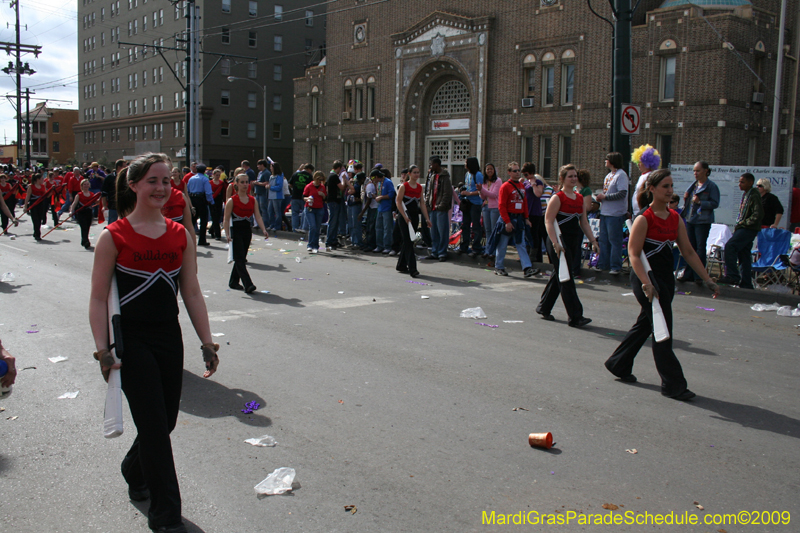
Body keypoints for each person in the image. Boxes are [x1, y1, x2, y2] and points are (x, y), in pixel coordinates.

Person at [89, 152, 219, 533]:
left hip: (168, 336)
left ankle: (134, 469)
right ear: (133, 185)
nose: (161, 188)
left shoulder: (180, 235)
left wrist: (207, 342)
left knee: (165, 422)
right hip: (131, 341)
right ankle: (165, 516)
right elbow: (97, 298)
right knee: (156, 430)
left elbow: (191, 291)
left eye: (166, 181)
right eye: (153, 181)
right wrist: (103, 350)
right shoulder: (113, 236)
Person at [604, 169, 719, 401]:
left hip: (666, 279)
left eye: (671, 186)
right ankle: (673, 385)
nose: (670, 190)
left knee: (646, 324)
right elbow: (634, 254)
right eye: (665, 186)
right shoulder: (644, 218)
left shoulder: (675, 218)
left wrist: (707, 278)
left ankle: (619, 363)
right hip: (646, 280)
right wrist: (647, 284)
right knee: (662, 330)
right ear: (652, 189)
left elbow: (688, 251)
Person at [536, 165, 599, 327]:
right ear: (562, 179)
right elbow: (548, 221)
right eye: (570, 176)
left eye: (575, 176)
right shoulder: (558, 198)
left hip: (573, 241)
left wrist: (593, 241)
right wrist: (555, 243)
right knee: (566, 277)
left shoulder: (579, 198)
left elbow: (584, 222)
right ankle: (575, 316)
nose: (573, 179)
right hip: (558, 241)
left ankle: (544, 307)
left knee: (560, 274)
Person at [224, 174, 269, 293]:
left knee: (242, 256)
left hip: (247, 230)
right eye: (242, 182)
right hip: (236, 230)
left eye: (246, 182)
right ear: (237, 184)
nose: (245, 185)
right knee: (239, 258)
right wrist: (227, 234)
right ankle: (248, 284)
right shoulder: (232, 200)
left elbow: (258, 216)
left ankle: (233, 282)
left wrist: (263, 229)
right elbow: (226, 219)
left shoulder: (252, 200)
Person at [717, 173, 764, 289]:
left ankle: (733, 275)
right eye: (739, 182)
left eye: (742, 182)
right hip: (744, 227)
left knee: (730, 246)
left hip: (748, 228)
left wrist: (744, 223)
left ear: (750, 183)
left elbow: (758, 214)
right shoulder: (746, 194)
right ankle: (746, 283)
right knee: (744, 254)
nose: (739, 184)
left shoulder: (754, 195)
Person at [677, 161, 720, 283]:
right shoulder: (694, 186)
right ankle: (688, 274)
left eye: (698, 171)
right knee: (690, 247)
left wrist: (700, 202)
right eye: (694, 171)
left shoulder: (711, 186)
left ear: (706, 171)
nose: (695, 173)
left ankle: (699, 275)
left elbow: (715, 203)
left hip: (702, 221)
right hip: (691, 219)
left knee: (700, 248)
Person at [494, 162, 535, 277]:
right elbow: (501, 205)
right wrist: (507, 221)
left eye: (518, 171)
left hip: (519, 218)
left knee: (521, 244)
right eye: (514, 171)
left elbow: (524, 203)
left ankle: (527, 268)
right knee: (502, 244)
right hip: (508, 217)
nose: (517, 173)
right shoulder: (505, 186)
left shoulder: (522, 186)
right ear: (509, 172)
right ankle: (499, 266)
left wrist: (526, 218)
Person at [595, 152, 629, 275]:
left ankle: (615, 266)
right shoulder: (609, 175)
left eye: (607, 159)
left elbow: (622, 193)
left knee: (615, 241)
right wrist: (601, 198)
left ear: (613, 161)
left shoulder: (621, 175)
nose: (605, 161)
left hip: (615, 214)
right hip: (605, 212)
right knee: (603, 240)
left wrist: (605, 197)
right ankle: (603, 264)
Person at [395, 165, 431, 277]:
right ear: (409, 174)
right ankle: (413, 269)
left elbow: (422, 204)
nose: (417, 174)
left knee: (409, 241)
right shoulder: (404, 186)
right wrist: (404, 216)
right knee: (408, 241)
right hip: (404, 217)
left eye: (418, 172)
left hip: (414, 217)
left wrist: (427, 219)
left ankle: (401, 265)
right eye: (414, 172)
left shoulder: (420, 187)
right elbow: (398, 202)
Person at [423, 157, 453, 261]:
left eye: (431, 164)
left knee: (442, 231)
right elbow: (429, 192)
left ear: (436, 164)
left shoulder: (445, 177)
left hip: (440, 209)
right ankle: (434, 252)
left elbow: (447, 193)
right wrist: (427, 203)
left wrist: (441, 206)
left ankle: (442, 253)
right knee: (433, 232)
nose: (430, 166)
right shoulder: (432, 176)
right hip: (432, 208)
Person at [458, 157, 484, 257]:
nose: (465, 164)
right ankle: (464, 246)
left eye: (466, 163)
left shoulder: (478, 175)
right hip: (467, 202)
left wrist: (469, 193)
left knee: (476, 226)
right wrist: (463, 191)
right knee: (465, 225)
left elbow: (481, 190)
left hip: (475, 203)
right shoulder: (467, 174)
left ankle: (476, 247)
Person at [162, 169, 197, 244]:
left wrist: (191, 206)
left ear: (179, 173)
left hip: (179, 205)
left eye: (175, 172)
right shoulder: (170, 183)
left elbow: (186, 195)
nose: (174, 173)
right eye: (173, 172)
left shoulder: (182, 184)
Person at [522, 165, 545, 264]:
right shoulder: (525, 182)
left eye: (526, 174)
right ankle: (526, 253)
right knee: (526, 233)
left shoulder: (538, 182)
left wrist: (533, 185)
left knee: (534, 233)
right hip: (526, 210)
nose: (525, 176)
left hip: (535, 211)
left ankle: (533, 255)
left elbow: (538, 194)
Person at [186, 164, 214, 246]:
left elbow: (188, 190)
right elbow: (208, 192)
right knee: (203, 220)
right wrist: (211, 202)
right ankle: (202, 240)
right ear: (204, 171)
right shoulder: (205, 179)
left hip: (192, 199)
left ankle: (188, 238)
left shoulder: (191, 179)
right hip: (201, 200)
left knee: (192, 220)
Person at [630, 145, 661, 216]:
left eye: (640, 162)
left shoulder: (649, 175)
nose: (638, 164)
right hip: (638, 211)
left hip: (643, 211)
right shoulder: (643, 175)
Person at [69, 178, 99, 249]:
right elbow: (74, 204)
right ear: (81, 186)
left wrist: (100, 199)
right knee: (84, 227)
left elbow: (96, 202)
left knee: (87, 227)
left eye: (87, 184)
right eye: (84, 184)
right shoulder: (79, 195)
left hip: (89, 213)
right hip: (81, 213)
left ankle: (84, 240)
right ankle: (86, 241)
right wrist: (71, 211)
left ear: (89, 185)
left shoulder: (92, 194)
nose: (86, 185)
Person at [303, 171, 327, 253]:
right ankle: (310, 245)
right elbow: (303, 197)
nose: (320, 182)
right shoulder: (309, 186)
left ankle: (315, 245)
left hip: (319, 208)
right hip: (310, 208)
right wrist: (308, 198)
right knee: (312, 226)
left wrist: (323, 195)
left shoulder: (322, 187)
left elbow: (325, 198)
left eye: (321, 180)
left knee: (317, 228)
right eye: (318, 180)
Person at [480, 163, 501, 257]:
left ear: (494, 170)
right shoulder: (484, 181)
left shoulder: (498, 180)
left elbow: (494, 195)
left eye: (491, 169)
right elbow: (483, 196)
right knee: (487, 230)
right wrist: (480, 191)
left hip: (494, 208)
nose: (489, 171)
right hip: (485, 207)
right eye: (487, 169)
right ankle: (488, 250)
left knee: (494, 230)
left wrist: (482, 190)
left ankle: (493, 251)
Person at [22, 173, 50, 241]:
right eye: (42, 178)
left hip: (41, 205)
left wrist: (52, 190)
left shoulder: (43, 186)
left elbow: (47, 195)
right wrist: (25, 206)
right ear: (38, 179)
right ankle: (38, 234)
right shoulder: (31, 186)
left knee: (39, 220)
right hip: (33, 205)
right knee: (35, 220)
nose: (43, 180)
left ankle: (36, 232)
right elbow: (27, 196)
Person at [374, 168, 396, 254]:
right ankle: (379, 246)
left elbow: (391, 194)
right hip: (380, 207)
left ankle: (387, 246)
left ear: (377, 176)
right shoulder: (378, 183)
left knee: (387, 228)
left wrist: (382, 197)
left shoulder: (388, 182)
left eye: (373, 178)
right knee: (378, 227)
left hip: (387, 208)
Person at [326, 161, 346, 250]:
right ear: (338, 168)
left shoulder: (330, 176)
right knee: (333, 221)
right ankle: (330, 240)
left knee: (335, 221)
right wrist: (344, 179)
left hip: (332, 201)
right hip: (333, 201)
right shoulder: (334, 176)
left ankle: (333, 239)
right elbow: (342, 187)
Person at [289, 163, 313, 233]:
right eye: (311, 171)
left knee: (294, 214)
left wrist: (295, 187)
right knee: (304, 213)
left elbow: (290, 184)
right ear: (308, 169)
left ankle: (294, 229)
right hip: (304, 197)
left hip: (295, 196)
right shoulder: (309, 176)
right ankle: (302, 228)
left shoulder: (295, 174)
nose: (311, 172)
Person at [102, 159, 126, 224]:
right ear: (119, 167)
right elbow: (104, 193)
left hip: (125, 206)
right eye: (124, 166)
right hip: (113, 206)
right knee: (113, 224)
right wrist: (104, 206)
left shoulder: (126, 177)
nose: (126, 168)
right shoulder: (109, 178)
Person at [360, 170, 378, 252]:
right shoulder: (367, 185)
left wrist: (362, 212)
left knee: (371, 227)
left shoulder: (369, 186)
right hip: (371, 208)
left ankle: (371, 245)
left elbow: (369, 200)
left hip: (373, 208)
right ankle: (368, 243)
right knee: (368, 226)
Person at [348, 162, 365, 249]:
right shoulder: (355, 180)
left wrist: (348, 183)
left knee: (356, 224)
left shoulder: (359, 182)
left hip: (356, 204)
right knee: (352, 224)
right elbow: (349, 191)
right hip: (351, 203)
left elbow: (353, 191)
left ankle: (358, 242)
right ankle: (353, 241)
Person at [252, 159, 271, 230]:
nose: (257, 166)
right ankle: (258, 224)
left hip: (263, 193)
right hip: (258, 193)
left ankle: (266, 224)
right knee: (257, 209)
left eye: (258, 165)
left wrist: (257, 183)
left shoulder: (266, 173)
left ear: (262, 165)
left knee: (264, 209)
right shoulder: (260, 173)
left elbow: (267, 182)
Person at [208, 168, 227, 240]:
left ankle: (211, 230)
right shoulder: (210, 183)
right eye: (216, 175)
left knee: (218, 217)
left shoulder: (221, 183)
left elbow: (224, 192)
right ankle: (217, 234)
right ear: (213, 175)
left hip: (219, 200)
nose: (218, 176)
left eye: (219, 175)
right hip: (212, 200)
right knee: (214, 217)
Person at [268, 161, 285, 231]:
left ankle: (277, 226)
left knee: (277, 212)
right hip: (271, 196)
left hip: (277, 197)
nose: (270, 168)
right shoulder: (271, 176)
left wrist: (270, 187)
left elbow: (279, 187)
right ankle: (272, 224)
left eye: (271, 167)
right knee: (270, 211)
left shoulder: (279, 175)